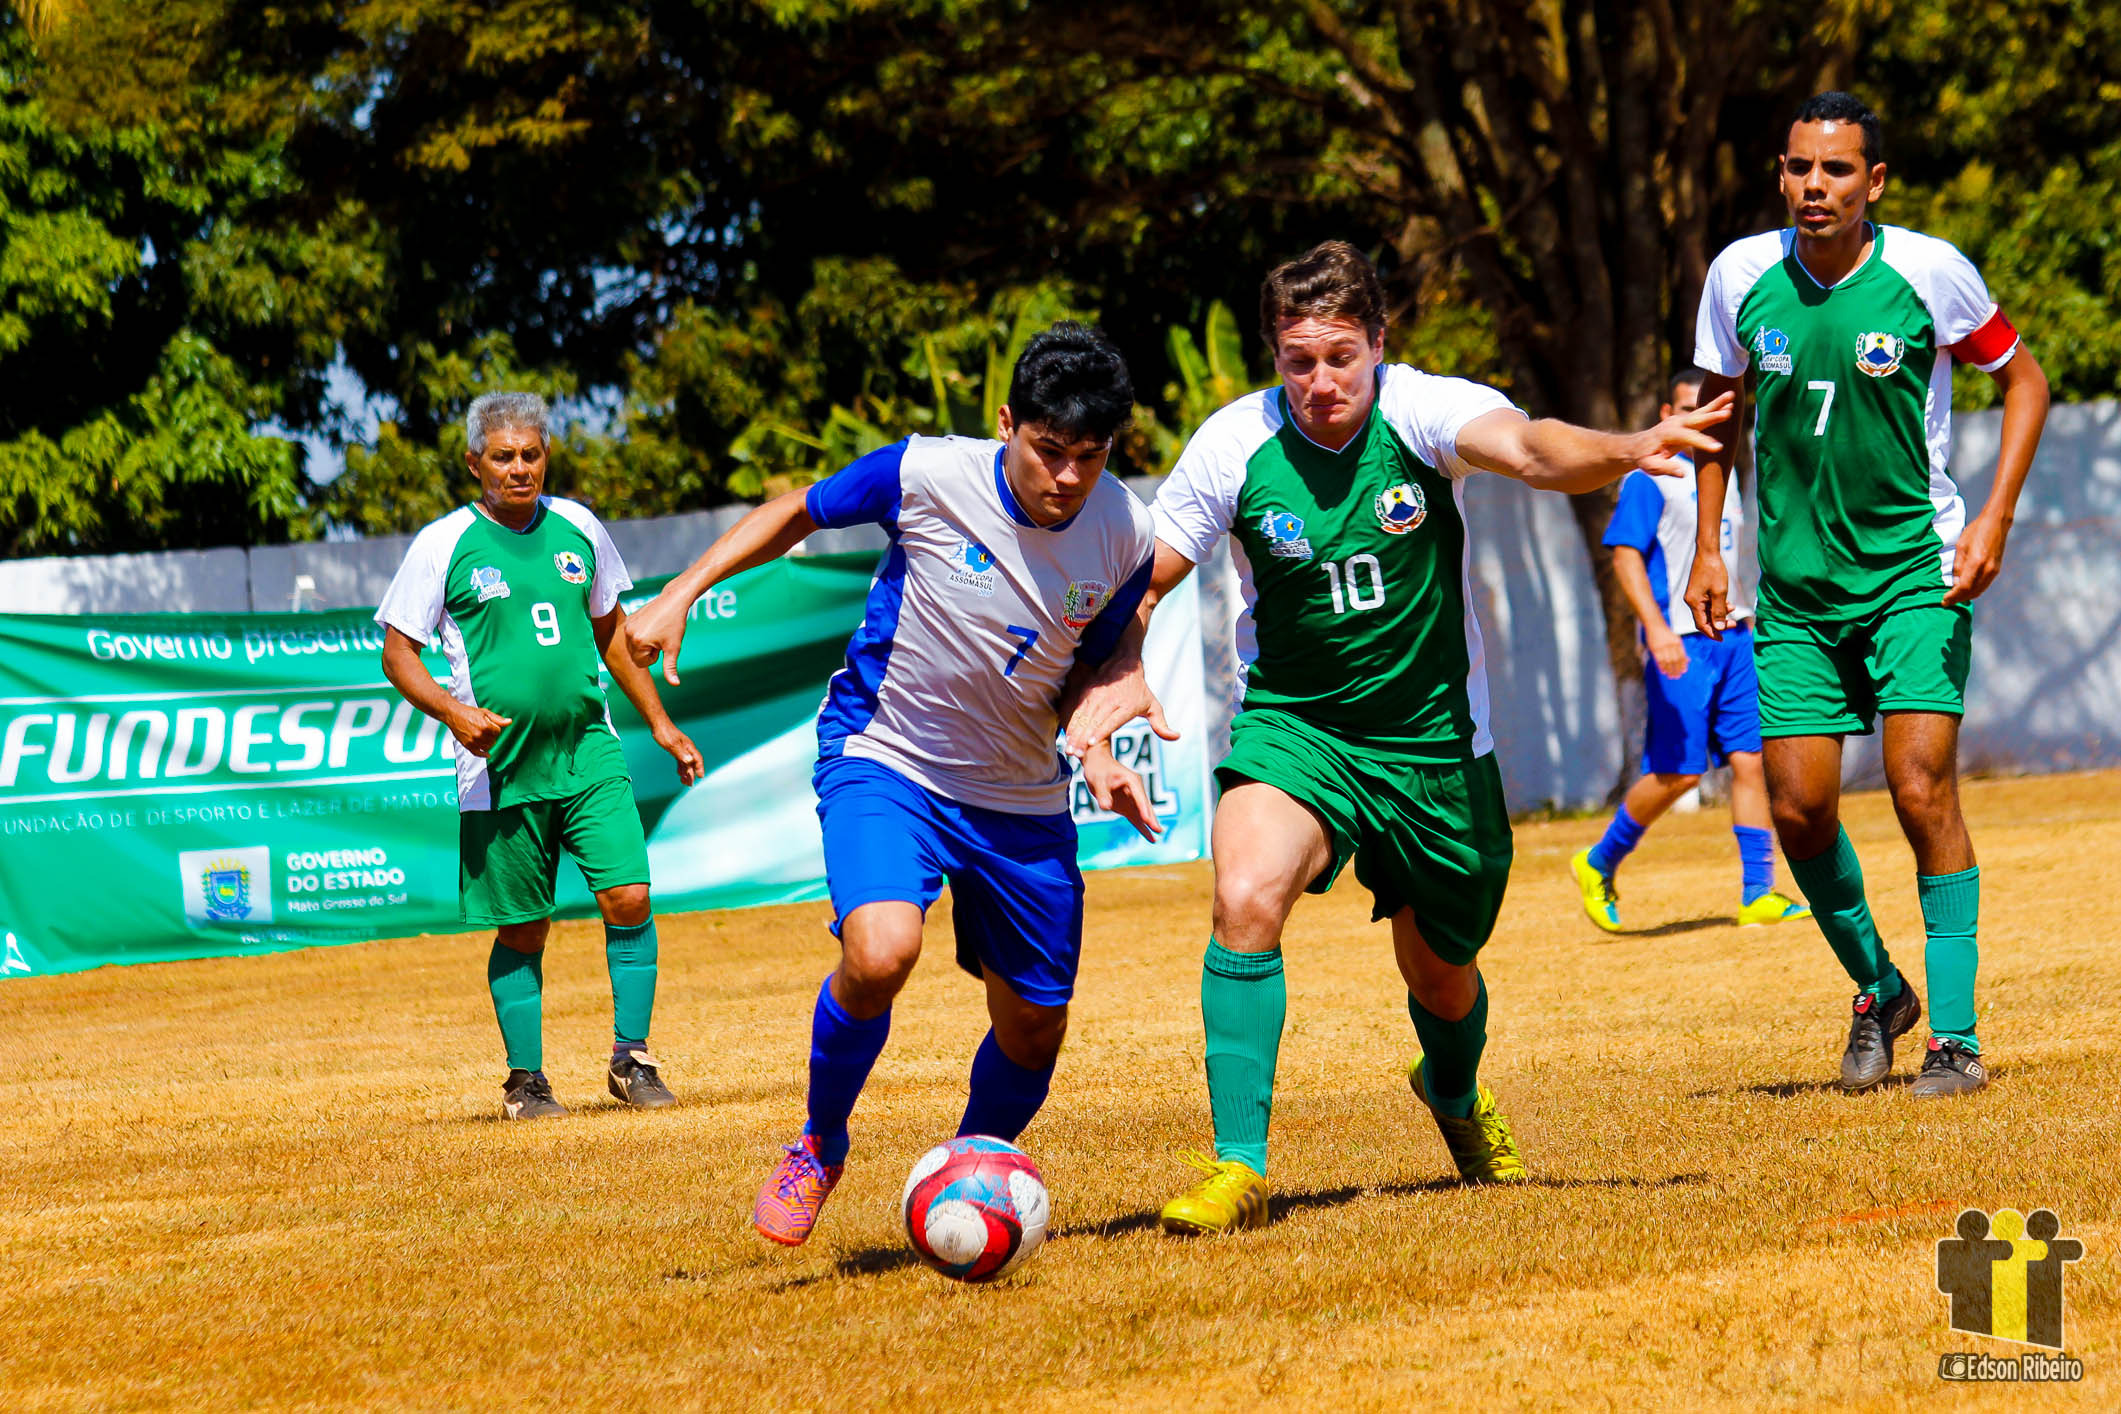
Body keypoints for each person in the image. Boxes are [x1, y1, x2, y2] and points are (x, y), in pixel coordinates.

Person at [1065, 242, 1732, 1233]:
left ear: (1379, 343)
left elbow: (1534, 449)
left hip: (1434, 751)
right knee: (1245, 893)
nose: (1321, 381)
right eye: (1298, 360)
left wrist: (1630, 446)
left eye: (1341, 355)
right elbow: (1150, 580)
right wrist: (1118, 669)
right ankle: (1237, 1164)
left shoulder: (1421, 409)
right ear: (1274, 358)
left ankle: (1455, 1094)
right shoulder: (1231, 446)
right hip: (1301, 728)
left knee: (1442, 973)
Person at [623, 323, 1162, 1247]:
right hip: (888, 757)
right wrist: (680, 593)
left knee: (1034, 1029)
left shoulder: (1125, 533)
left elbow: (1096, 659)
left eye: (1088, 456)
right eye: (1046, 451)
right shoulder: (927, 473)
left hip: (1020, 796)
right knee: (878, 952)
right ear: (1007, 425)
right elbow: (800, 509)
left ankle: (966, 1177)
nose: (1066, 477)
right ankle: (818, 1144)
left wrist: (1098, 739)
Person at [1685, 92, 2049, 1097]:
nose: (1816, 186)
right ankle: (1881, 989)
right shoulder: (1740, 276)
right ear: (1780, 174)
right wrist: (1714, 546)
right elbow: (1717, 414)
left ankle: (1958, 1040)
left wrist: (1996, 519)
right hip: (1795, 594)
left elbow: (2026, 381)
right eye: (1800, 167)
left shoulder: (1930, 272)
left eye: (1837, 170)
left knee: (1919, 787)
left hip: (1913, 575)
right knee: (1799, 810)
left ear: (1874, 182)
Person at [376, 392, 704, 1121]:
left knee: (629, 895)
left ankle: (633, 1059)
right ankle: (526, 1081)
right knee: (525, 925)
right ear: (473, 463)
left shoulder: (579, 527)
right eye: (502, 456)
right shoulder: (442, 544)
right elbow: (399, 654)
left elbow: (613, 633)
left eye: (530, 453)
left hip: (589, 748)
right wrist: (454, 712)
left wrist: (660, 724)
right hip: (502, 764)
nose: (519, 468)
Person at [1570, 367, 1811, 930]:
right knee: (1679, 772)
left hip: (1735, 636)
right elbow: (1626, 556)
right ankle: (1598, 860)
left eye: (1706, 409)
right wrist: (1655, 631)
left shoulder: (1721, 473)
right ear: (1665, 417)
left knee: (1752, 761)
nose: (1695, 419)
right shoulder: (1650, 478)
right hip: (1680, 639)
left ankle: (1759, 893)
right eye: (1683, 409)